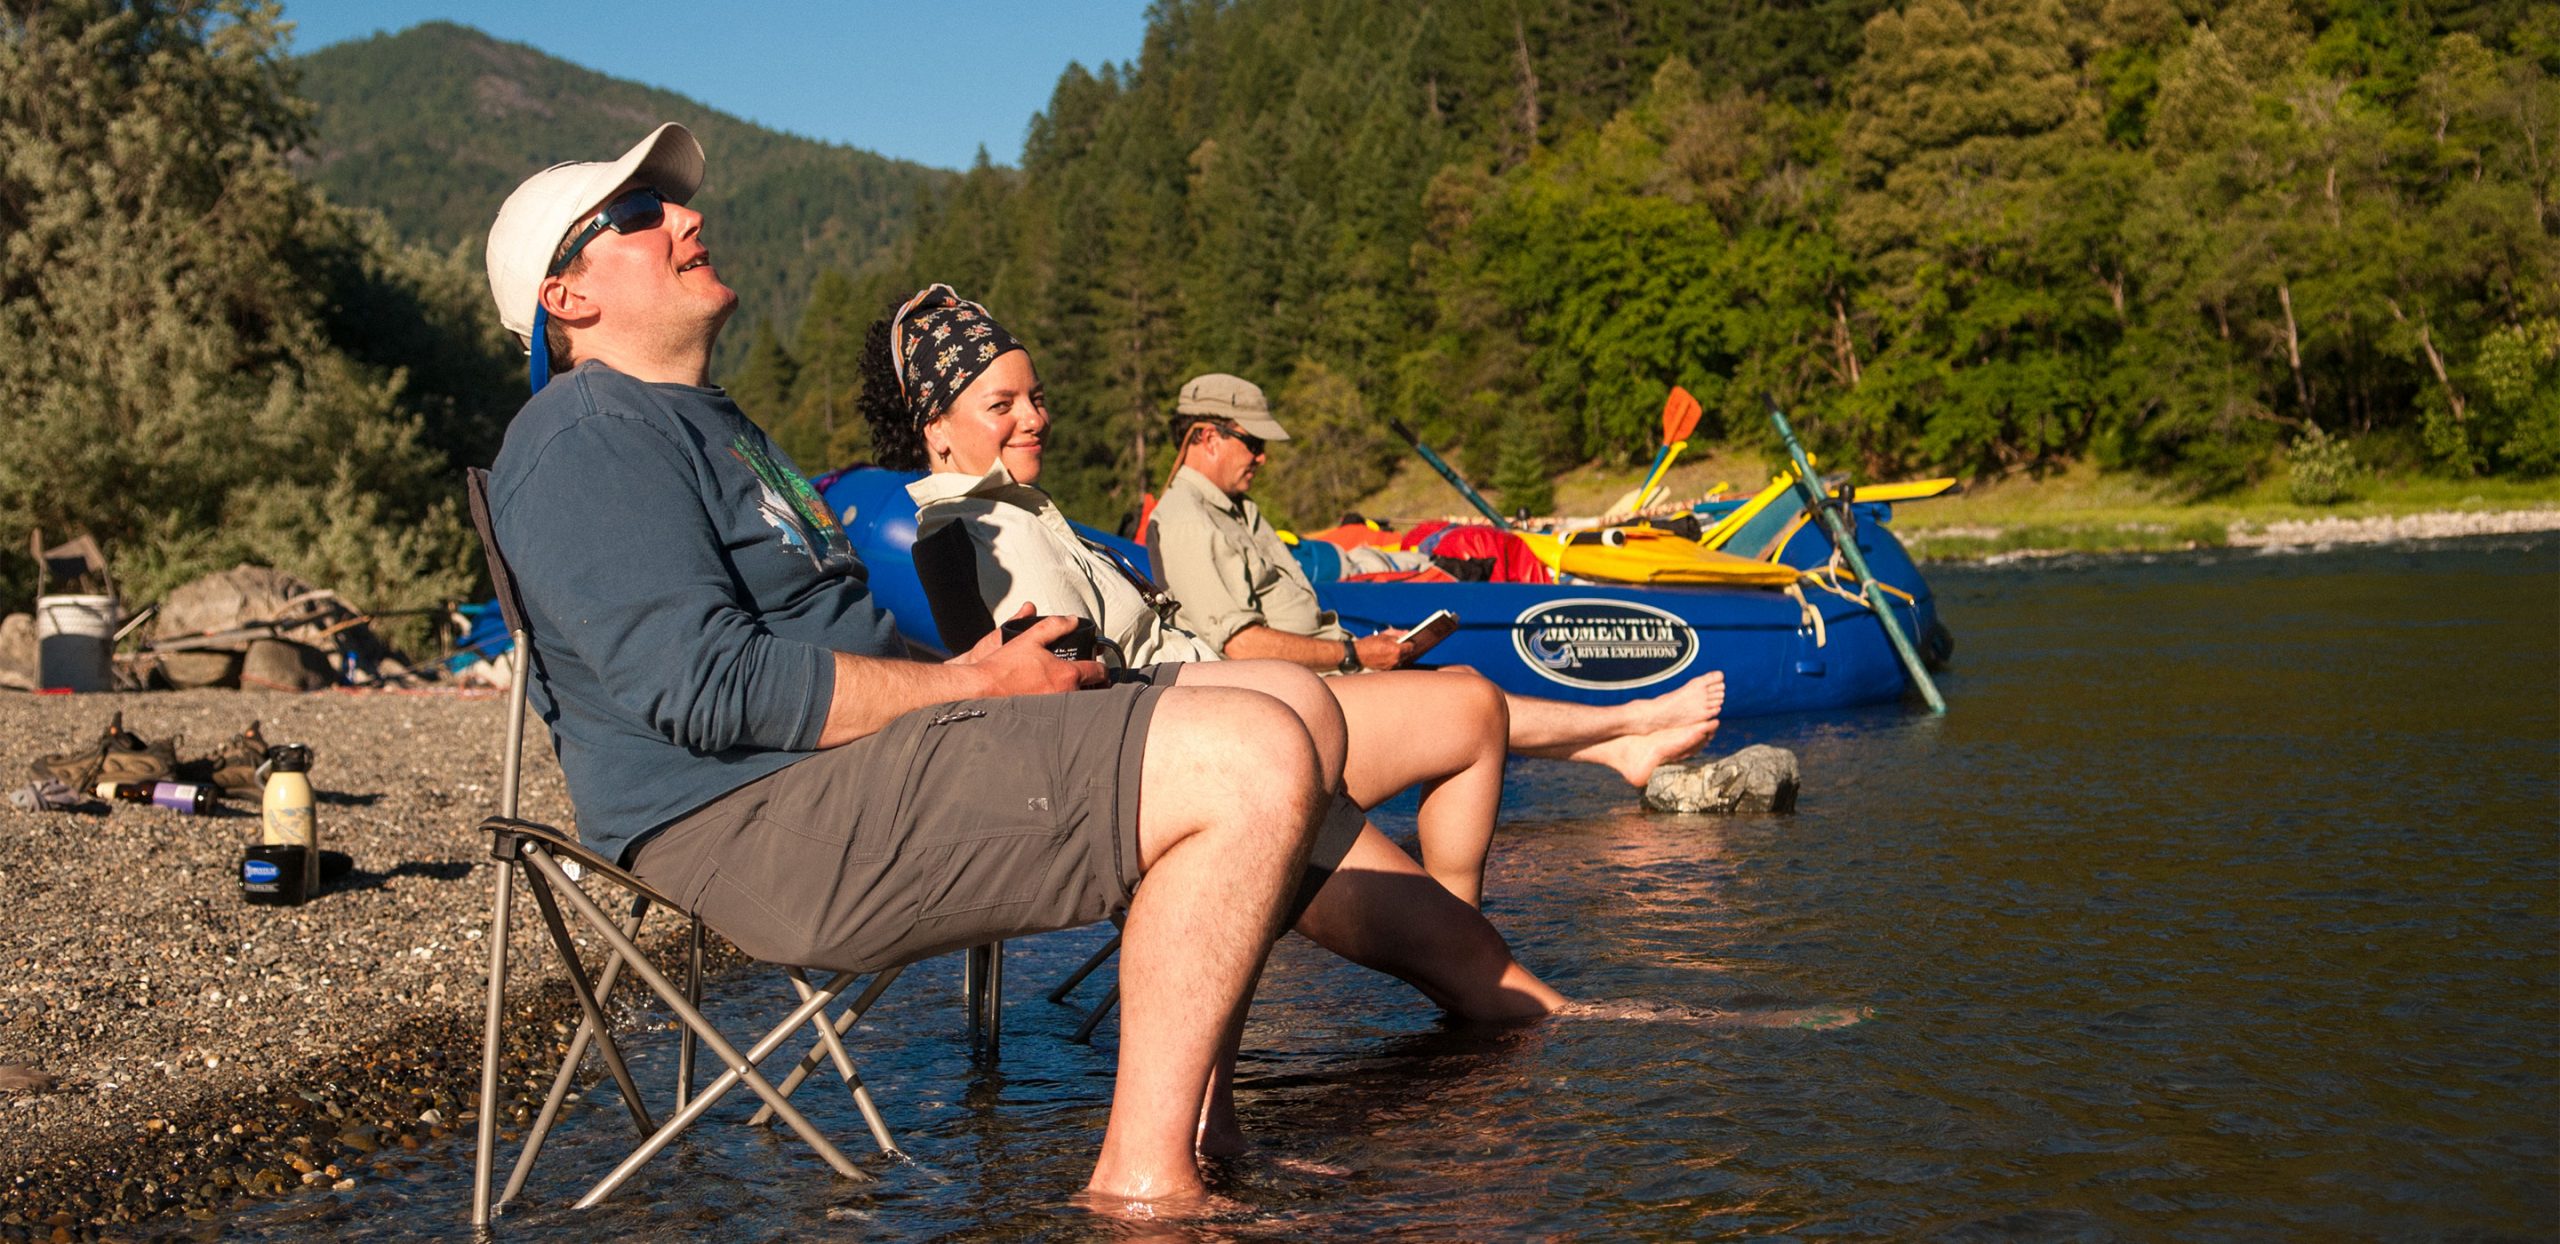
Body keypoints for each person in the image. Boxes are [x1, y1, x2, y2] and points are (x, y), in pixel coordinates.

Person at [475, 125, 1410, 1213]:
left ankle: (1206, 1120)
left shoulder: (707, 423)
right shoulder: (583, 432)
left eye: (673, 204)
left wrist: (979, 667)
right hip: (749, 817)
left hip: (857, 765)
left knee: (1283, 695)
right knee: (1245, 759)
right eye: (636, 218)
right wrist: (973, 684)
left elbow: (829, 640)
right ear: (566, 299)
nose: (685, 218)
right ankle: (1145, 1185)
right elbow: (703, 684)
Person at [870, 285, 1529, 912]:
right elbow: (1079, 702)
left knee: (1468, 713)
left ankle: (1464, 936)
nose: (1035, 419)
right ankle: (1462, 920)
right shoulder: (984, 528)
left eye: (1036, 398)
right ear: (937, 428)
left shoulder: (1011, 512)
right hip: (1208, 748)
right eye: (1003, 404)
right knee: (1472, 707)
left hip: (1214, 716)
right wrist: (1329, 663)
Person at [1149, 373, 1726, 786]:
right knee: (1466, 697)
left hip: (1321, 678)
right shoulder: (1185, 520)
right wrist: (1354, 653)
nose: (1262, 457)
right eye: (1252, 442)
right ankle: (1636, 719)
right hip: (1287, 704)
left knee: (1465, 679)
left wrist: (1372, 652)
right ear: (1206, 436)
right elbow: (1239, 644)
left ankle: (1621, 752)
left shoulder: (1237, 511)